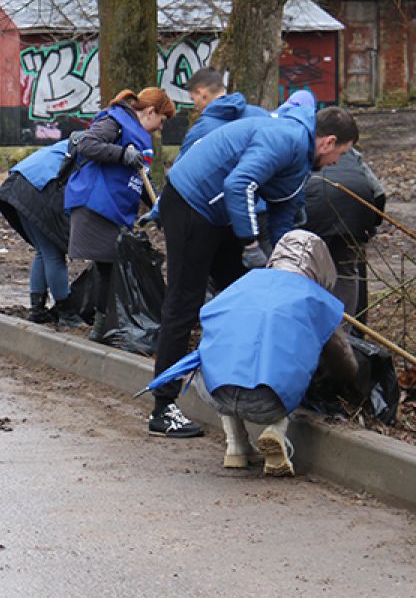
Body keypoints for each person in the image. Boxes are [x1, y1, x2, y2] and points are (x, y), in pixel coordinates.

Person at [149, 105, 359, 438]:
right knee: (184, 302)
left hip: (217, 213)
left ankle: (242, 385)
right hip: (190, 201)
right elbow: (240, 184)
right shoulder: (286, 139)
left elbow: (282, 217)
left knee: (245, 295)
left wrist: (281, 268)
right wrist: (249, 245)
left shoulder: (301, 158)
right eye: (340, 154)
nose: (336, 163)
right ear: (328, 141)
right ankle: (164, 408)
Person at [146, 230, 362, 475]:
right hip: (270, 402)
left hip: (217, 391)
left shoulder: (243, 284)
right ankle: (276, 431)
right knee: (294, 363)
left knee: (225, 358)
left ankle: (236, 446)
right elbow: (341, 360)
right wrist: (352, 379)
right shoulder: (315, 301)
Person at [64, 88, 174, 340]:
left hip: (115, 206)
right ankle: (101, 327)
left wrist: (160, 208)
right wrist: (123, 154)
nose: (160, 128)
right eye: (162, 121)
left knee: (110, 266)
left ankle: (103, 325)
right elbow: (88, 145)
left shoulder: (140, 136)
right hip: (96, 202)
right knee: (110, 265)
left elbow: (142, 178)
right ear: (150, 112)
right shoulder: (115, 121)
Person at [0, 139, 85, 328]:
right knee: (54, 253)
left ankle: (38, 310)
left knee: (43, 251)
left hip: (18, 182)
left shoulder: (85, 139)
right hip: (38, 188)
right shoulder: (102, 147)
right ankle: (66, 313)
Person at [303, 147, 385, 321]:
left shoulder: (298, 144)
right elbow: (379, 193)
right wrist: (371, 225)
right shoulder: (349, 151)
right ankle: (346, 333)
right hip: (355, 205)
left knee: (308, 268)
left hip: (314, 205)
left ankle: (314, 329)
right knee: (346, 270)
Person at [177, 68, 268, 158]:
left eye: (193, 99)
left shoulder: (200, 130)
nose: (195, 106)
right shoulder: (261, 115)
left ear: (201, 93)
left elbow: (180, 169)